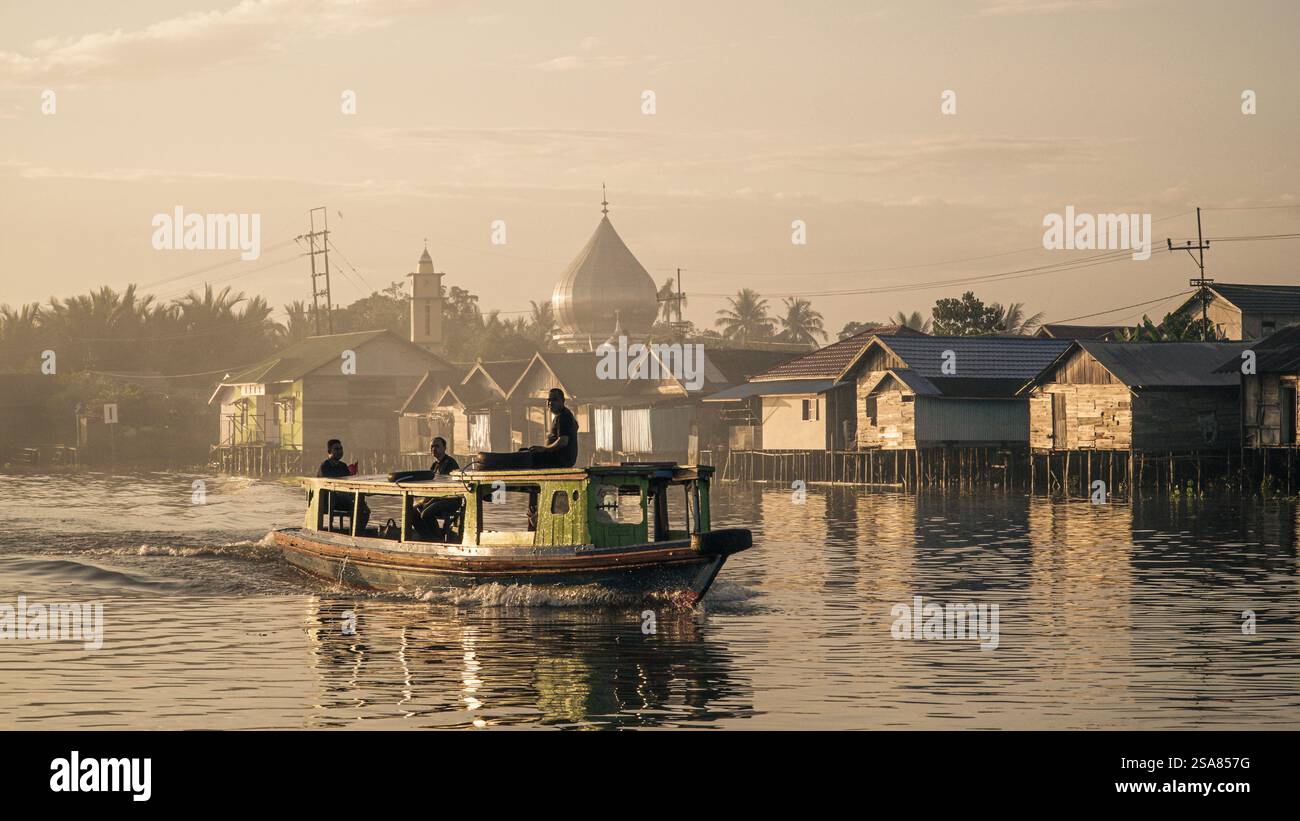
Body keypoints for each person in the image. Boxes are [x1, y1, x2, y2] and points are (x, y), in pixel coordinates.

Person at [316, 439, 369, 532]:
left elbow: (348, 483)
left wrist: (353, 475)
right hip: (330, 500)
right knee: (355, 504)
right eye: (336, 449)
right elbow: (325, 486)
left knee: (363, 508)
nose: (339, 451)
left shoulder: (343, 466)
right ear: (329, 451)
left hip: (342, 498)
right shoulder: (324, 467)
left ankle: (356, 531)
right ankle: (355, 531)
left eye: (341, 449)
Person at [415, 437, 462, 539]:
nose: (434, 449)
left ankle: (437, 537)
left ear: (444, 448)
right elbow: (431, 487)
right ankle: (427, 535)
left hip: (450, 499)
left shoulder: (450, 463)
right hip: (437, 498)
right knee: (413, 510)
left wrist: (428, 502)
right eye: (432, 447)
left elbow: (447, 489)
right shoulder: (434, 465)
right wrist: (423, 501)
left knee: (425, 514)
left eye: (437, 446)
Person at [529, 388, 579, 468]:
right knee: (527, 451)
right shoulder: (560, 416)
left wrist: (544, 449)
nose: (550, 403)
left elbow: (563, 441)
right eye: (549, 400)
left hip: (560, 460)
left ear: (563, 401)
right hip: (558, 458)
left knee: (527, 457)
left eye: (554, 400)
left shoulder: (564, 416)